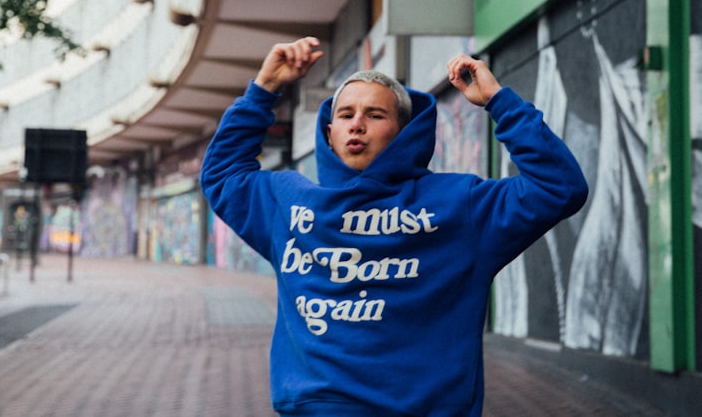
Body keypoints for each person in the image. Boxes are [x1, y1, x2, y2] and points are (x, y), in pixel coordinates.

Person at [200, 36, 588, 416]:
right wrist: (264, 88)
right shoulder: (288, 204)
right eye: (346, 114)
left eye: (375, 114)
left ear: (404, 132)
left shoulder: (459, 206)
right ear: (329, 132)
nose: (357, 125)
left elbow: (560, 187)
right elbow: (221, 174)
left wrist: (500, 102)